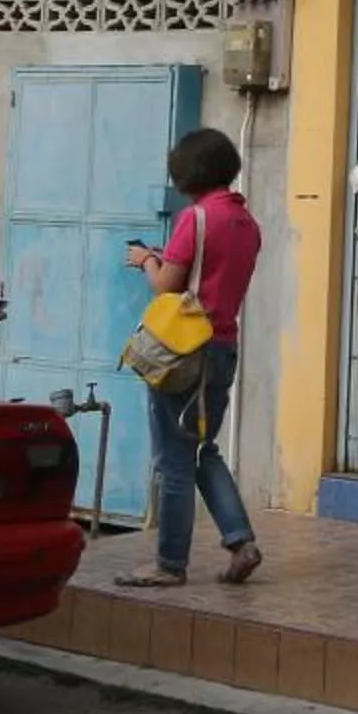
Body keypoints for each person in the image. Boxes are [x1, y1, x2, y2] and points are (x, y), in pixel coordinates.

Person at [116, 127, 265, 588]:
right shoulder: (246, 223)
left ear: (189, 172)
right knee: (200, 449)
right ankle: (241, 542)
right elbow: (211, 276)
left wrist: (145, 260)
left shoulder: (196, 218)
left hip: (183, 352)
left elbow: (167, 286)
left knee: (173, 460)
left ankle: (169, 564)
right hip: (223, 348)